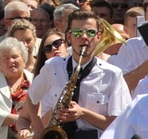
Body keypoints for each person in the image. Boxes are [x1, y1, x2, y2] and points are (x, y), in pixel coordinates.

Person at [21, 10, 131, 139]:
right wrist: (39, 129)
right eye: (78, 32)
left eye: (90, 32)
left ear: (98, 37)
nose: (84, 37)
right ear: (69, 37)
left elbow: (119, 123)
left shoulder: (112, 74)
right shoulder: (53, 66)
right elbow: (32, 97)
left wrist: (83, 113)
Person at [0, 37, 34, 139]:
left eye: (15, 56)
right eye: (6, 58)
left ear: (24, 59)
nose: (11, 61)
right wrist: (20, 120)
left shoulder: (35, 81)